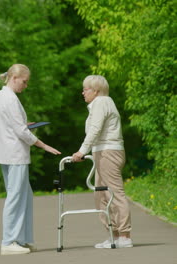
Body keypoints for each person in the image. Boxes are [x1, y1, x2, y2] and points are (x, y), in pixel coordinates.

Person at [0, 64, 61, 255]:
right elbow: (21, 132)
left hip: (6, 153)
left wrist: (25, 124)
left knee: (24, 195)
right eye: (24, 81)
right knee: (16, 196)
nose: (25, 85)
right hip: (14, 154)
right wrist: (44, 145)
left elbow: (11, 125)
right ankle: (9, 241)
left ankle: (23, 239)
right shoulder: (10, 99)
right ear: (14, 78)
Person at [71, 75, 133, 249]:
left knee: (114, 193)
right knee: (101, 196)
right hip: (101, 152)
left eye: (86, 89)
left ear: (96, 91)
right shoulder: (98, 105)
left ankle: (124, 236)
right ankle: (113, 235)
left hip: (109, 152)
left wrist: (82, 151)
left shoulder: (102, 102)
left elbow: (95, 129)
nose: (82, 92)